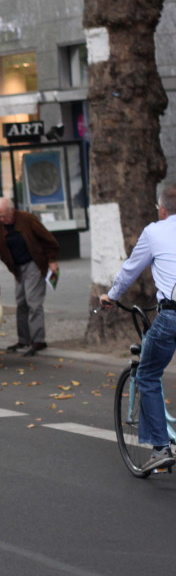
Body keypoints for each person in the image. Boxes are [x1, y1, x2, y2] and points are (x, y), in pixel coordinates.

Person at [99, 183, 176, 473]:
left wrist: (111, 296)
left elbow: (130, 270)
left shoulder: (154, 232)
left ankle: (160, 448)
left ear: (162, 209)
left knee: (147, 374)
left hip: (172, 316)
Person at [0, 197, 60, 356]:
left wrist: (53, 260)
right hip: (17, 268)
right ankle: (24, 339)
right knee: (21, 302)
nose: (1, 219)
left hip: (34, 263)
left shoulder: (27, 219)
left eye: (4, 215)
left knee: (33, 302)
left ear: (12, 210)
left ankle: (38, 340)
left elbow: (48, 239)